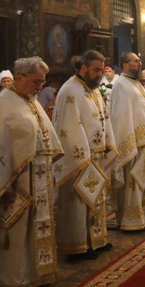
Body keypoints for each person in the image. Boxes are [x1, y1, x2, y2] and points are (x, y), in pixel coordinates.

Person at [0, 57, 64, 287]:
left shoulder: (31, 101)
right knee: (16, 230)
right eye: (36, 82)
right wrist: (3, 182)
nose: (40, 87)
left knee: (35, 227)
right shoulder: (0, 106)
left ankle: (36, 274)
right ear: (20, 78)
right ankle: (11, 279)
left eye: (42, 82)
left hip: (38, 177)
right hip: (15, 181)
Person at [52, 50, 117, 258]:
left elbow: (102, 117)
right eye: (96, 70)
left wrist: (107, 142)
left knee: (96, 198)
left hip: (95, 156)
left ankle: (96, 240)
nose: (100, 74)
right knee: (79, 202)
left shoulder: (93, 89)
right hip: (79, 158)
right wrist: (83, 155)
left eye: (102, 70)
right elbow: (67, 127)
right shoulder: (70, 91)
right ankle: (78, 245)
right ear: (83, 68)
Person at [109, 52, 145, 230]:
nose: (140, 64)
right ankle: (131, 220)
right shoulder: (120, 86)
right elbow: (120, 117)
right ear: (125, 65)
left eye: (140, 61)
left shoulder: (134, 83)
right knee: (134, 180)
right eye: (136, 62)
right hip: (132, 142)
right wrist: (128, 142)